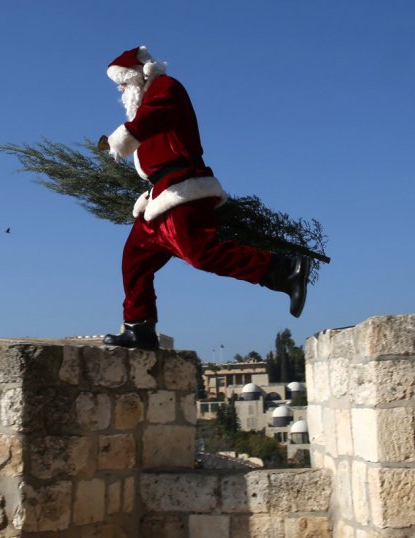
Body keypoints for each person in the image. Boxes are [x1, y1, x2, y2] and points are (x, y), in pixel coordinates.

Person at [101, 46, 310, 351]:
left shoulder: (165, 88)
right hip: (159, 196)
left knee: (200, 254)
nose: (120, 90)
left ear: (137, 75)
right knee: (134, 259)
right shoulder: (147, 99)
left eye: (123, 82)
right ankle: (139, 328)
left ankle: (283, 271)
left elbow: (151, 118)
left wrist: (123, 137)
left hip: (182, 192)